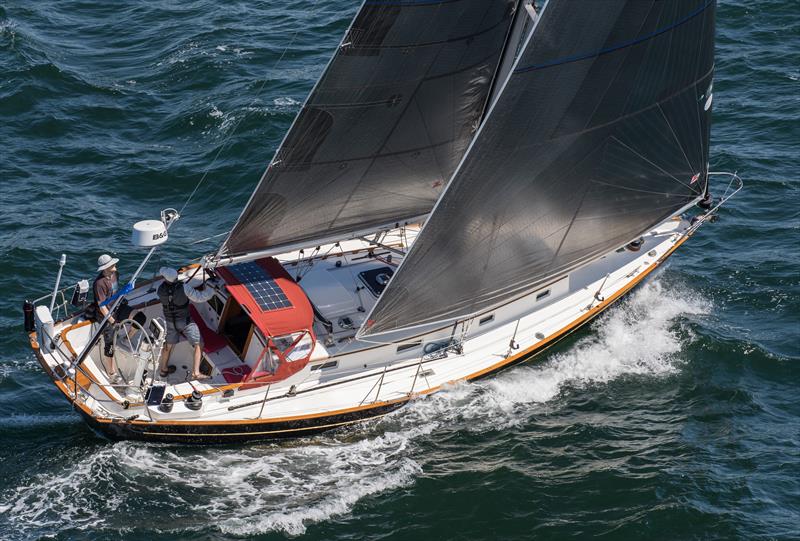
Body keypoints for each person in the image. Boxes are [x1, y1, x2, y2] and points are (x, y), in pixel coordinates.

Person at [157, 267, 211, 381]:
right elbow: (200, 297)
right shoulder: (184, 288)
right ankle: (196, 372)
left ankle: (163, 370)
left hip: (170, 322)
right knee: (199, 344)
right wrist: (212, 290)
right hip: (185, 322)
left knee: (168, 345)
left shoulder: (160, 290)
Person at [92, 253, 132, 381]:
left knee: (139, 318)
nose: (115, 265)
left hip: (117, 308)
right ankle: (111, 372)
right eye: (111, 264)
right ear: (105, 268)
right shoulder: (99, 284)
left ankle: (126, 338)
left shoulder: (116, 274)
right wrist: (112, 321)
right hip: (106, 315)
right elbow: (102, 306)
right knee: (109, 344)